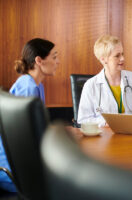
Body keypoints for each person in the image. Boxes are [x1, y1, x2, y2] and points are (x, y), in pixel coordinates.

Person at [0, 38, 59, 192]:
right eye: (54, 57)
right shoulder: (28, 87)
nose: (57, 61)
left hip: (20, 164)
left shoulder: (36, 85)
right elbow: (25, 140)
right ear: (39, 60)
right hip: (14, 171)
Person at [77, 35, 132, 127]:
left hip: (131, 133)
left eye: (122, 54)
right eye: (117, 56)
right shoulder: (90, 85)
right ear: (103, 59)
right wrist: (105, 123)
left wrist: (125, 121)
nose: (122, 58)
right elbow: (84, 120)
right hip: (104, 137)